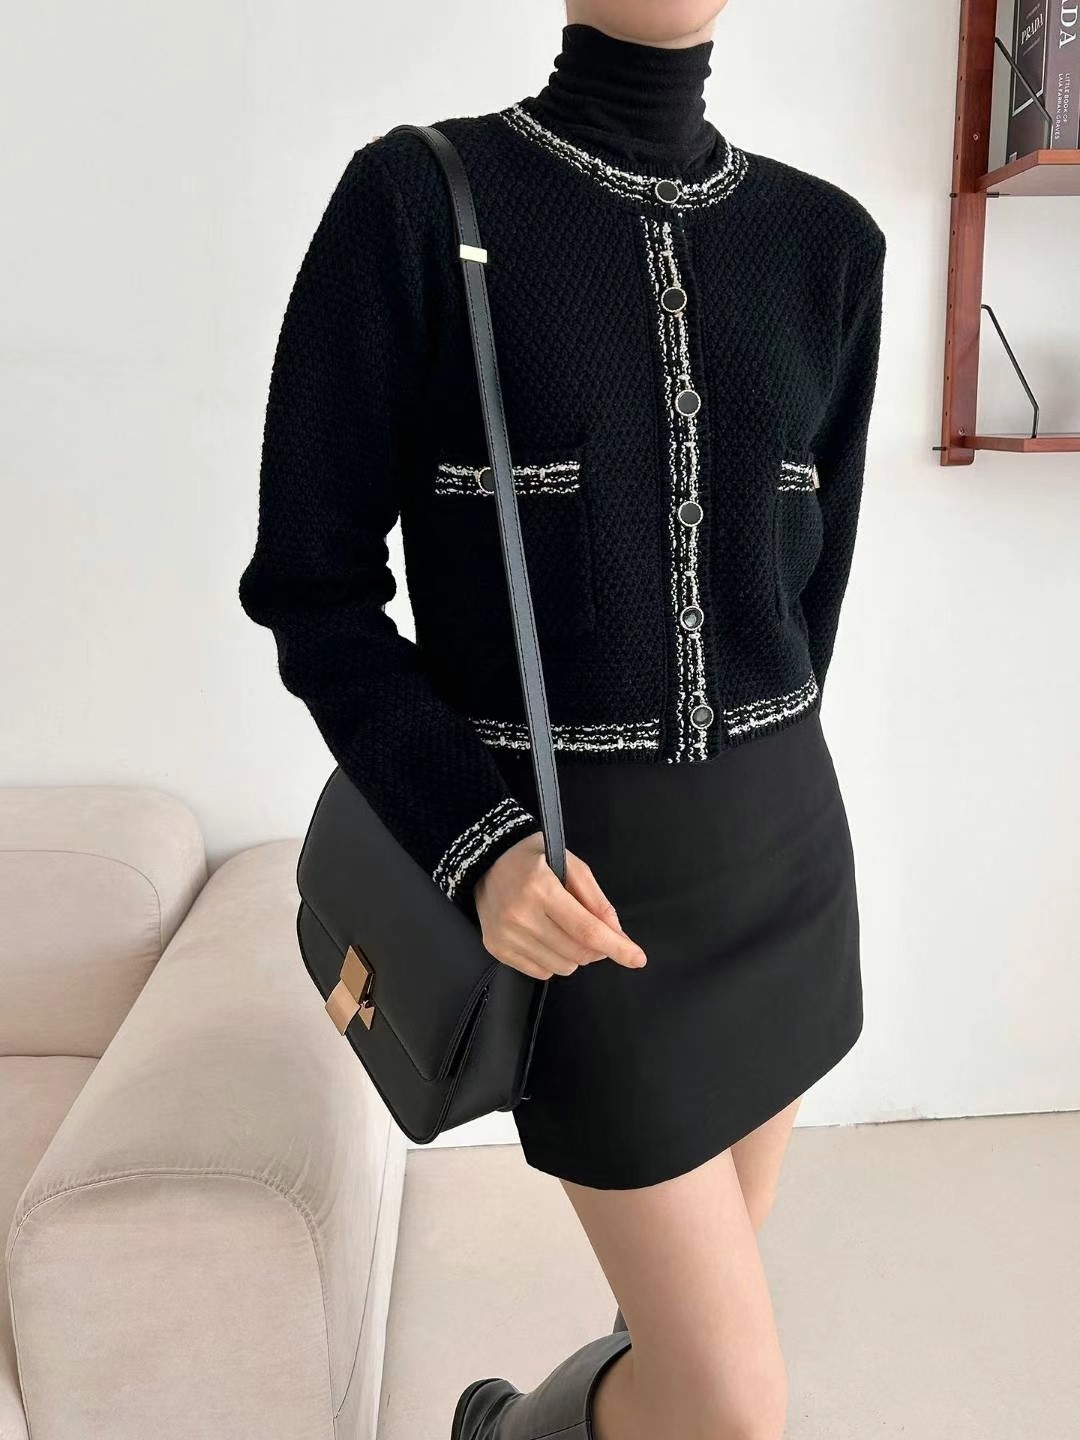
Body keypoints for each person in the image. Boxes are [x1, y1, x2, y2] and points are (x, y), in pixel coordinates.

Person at [238, 2, 887, 1435]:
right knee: (731, 1404)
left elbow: (809, 596)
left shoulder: (830, 243)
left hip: (787, 871)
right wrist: (476, 847)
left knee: (669, 1343)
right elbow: (313, 592)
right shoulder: (419, 201)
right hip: (578, 894)